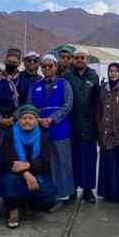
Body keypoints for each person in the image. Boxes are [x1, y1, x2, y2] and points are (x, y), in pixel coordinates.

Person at [0, 105, 58, 229]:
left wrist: (28, 165)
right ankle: (13, 209)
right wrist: (26, 173)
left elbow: (45, 161)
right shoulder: (9, 134)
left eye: (31, 118)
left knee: (50, 198)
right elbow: (7, 161)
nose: (27, 121)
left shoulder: (44, 136)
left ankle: (27, 202)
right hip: (16, 176)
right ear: (19, 120)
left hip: (37, 174)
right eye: (24, 118)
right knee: (8, 181)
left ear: (36, 120)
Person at [28, 54, 75, 202]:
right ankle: (47, 193)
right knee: (43, 162)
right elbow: (30, 106)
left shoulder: (64, 84)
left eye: (50, 66)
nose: (47, 68)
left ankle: (64, 192)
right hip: (40, 129)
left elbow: (68, 104)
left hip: (59, 128)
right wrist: (39, 119)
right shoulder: (35, 86)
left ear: (56, 67)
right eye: (44, 66)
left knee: (62, 160)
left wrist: (52, 118)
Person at [0, 48, 23, 200]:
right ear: (5, 61)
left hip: (15, 125)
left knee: (14, 157)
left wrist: (13, 118)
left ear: (19, 63)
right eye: (9, 61)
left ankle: (13, 195)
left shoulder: (22, 80)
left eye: (15, 62)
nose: (11, 64)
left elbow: (25, 102)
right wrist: (0, 119)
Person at [66, 49, 100, 204]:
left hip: (89, 125)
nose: (80, 60)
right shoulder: (67, 76)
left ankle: (88, 190)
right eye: (77, 57)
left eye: (82, 57)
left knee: (89, 159)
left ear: (87, 59)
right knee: (73, 159)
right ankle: (71, 190)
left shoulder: (94, 76)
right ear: (73, 59)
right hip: (71, 124)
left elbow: (97, 101)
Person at [97, 62, 119, 203]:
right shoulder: (103, 88)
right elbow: (99, 107)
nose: (113, 73)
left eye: (115, 71)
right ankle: (108, 193)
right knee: (108, 164)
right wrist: (100, 126)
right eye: (111, 71)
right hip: (105, 133)